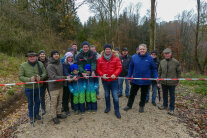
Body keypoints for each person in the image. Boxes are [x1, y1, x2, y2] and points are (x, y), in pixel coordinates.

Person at [123, 44, 158, 113]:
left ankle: (141, 106)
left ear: (146, 49)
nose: (142, 50)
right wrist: (129, 76)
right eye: (141, 49)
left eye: (143, 49)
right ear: (138, 50)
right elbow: (131, 67)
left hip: (146, 81)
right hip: (135, 80)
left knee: (143, 95)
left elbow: (154, 69)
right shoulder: (134, 57)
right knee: (132, 94)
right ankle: (129, 105)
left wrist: (156, 76)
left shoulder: (150, 58)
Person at [19, 51, 47, 124]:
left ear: (36, 57)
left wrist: (40, 78)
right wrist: (29, 79)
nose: (32, 58)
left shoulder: (40, 64)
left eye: (33, 56)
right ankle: (31, 116)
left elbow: (45, 73)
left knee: (38, 101)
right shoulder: (23, 65)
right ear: (28, 58)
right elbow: (20, 76)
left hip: (39, 87)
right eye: (30, 57)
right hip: (29, 88)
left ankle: (37, 114)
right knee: (31, 103)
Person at [96, 44, 122, 118]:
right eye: (106, 49)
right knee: (107, 94)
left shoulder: (116, 58)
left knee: (115, 96)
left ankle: (117, 110)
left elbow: (119, 68)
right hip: (105, 81)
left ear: (111, 50)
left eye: (109, 49)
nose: (108, 50)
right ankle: (108, 107)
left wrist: (115, 74)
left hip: (114, 80)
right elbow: (98, 69)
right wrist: (102, 74)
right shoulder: (100, 59)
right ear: (104, 50)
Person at [46, 50, 70, 124]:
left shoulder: (60, 64)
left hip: (60, 86)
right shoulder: (50, 65)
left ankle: (58, 113)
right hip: (53, 87)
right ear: (52, 56)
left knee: (60, 101)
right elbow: (53, 77)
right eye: (54, 54)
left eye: (57, 54)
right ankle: (53, 116)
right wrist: (65, 77)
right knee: (54, 102)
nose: (56, 55)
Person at [158, 48, 181, 115]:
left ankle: (171, 108)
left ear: (171, 54)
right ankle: (165, 105)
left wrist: (178, 80)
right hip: (163, 82)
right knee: (164, 95)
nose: (167, 55)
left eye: (168, 53)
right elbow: (159, 72)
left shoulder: (176, 62)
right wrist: (159, 81)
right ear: (164, 54)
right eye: (165, 54)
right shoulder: (162, 62)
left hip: (172, 83)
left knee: (172, 96)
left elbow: (179, 72)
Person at [62, 52, 74, 116]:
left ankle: (73, 106)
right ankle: (66, 109)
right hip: (66, 82)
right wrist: (71, 76)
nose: (70, 58)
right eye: (69, 57)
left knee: (72, 95)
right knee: (66, 96)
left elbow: (76, 71)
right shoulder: (64, 64)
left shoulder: (74, 64)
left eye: (71, 57)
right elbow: (65, 72)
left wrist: (75, 76)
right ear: (66, 58)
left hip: (73, 82)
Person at [38, 50, 48, 115]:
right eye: (41, 54)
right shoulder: (37, 62)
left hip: (49, 80)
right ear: (39, 55)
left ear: (45, 55)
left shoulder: (48, 61)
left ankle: (54, 108)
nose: (42, 55)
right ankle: (43, 109)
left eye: (43, 54)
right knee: (41, 96)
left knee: (51, 95)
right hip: (41, 81)